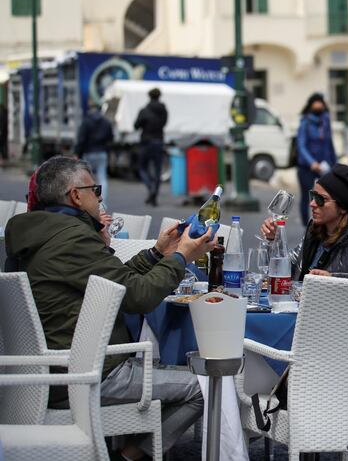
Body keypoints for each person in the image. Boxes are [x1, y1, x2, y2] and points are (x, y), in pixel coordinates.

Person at [4, 156, 215, 460]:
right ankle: (127, 457)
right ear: (76, 195)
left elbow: (113, 283)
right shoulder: (72, 237)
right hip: (84, 376)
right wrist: (181, 256)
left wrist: (157, 253)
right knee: (204, 388)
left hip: (52, 368)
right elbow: (139, 296)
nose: (100, 196)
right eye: (95, 189)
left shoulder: (42, 233)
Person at [260, 163, 348, 280]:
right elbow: (290, 270)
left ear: (343, 206)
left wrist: (333, 283)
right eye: (313, 196)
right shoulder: (316, 230)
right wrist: (274, 241)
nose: (312, 203)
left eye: (321, 199)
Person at [295, 92, 337, 223]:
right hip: (307, 167)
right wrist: (312, 162)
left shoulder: (325, 122)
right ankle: (306, 225)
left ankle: (323, 220)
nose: (319, 105)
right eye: (316, 102)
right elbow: (301, 145)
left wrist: (334, 163)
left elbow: (329, 144)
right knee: (306, 196)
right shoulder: (305, 122)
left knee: (327, 194)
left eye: (321, 102)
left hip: (324, 165)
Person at [135, 87, 168, 206]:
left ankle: (150, 188)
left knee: (142, 167)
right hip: (159, 141)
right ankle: (154, 196)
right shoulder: (163, 110)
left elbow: (136, 125)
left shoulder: (144, 110)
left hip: (146, 142)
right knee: (158, 169)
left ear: (149, 96)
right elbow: (164, 123)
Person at [75, 102, 114, 202]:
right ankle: (102, 202)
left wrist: (78, 153)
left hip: (88, 153)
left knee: (88, 179)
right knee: (102, 178)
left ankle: (89, 201)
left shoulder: (86, 122)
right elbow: (110, 138)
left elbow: (81, 139)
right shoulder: (106, 122)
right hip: (102, 152)